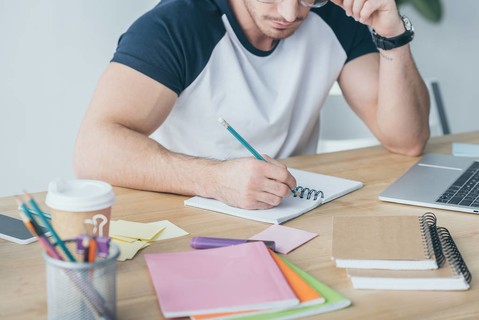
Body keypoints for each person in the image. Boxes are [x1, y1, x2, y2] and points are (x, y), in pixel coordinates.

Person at [73, 0, 430, 210]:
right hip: (187, 215)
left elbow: (407, 139)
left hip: (296, 213)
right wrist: (215, 179)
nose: (290, 13)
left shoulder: (334, 17)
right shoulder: (176, 26)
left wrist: (392, 34)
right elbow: (94, 150)